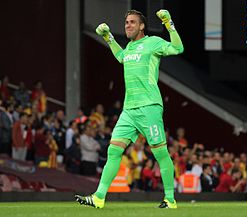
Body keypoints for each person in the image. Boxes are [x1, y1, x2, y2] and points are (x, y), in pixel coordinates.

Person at [75, 9, 183, 209]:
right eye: (126, 22)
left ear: (142, 26)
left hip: (149, 107)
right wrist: (108, 37)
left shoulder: (153, 43)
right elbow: (121, 57)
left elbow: (178, 48)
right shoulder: (130, 48)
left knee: (160, 154)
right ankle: (99, 197)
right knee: (113, 151)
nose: (128, 25)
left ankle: (170, 199)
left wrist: (168, 23)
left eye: (132, 22)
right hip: (129, 110)